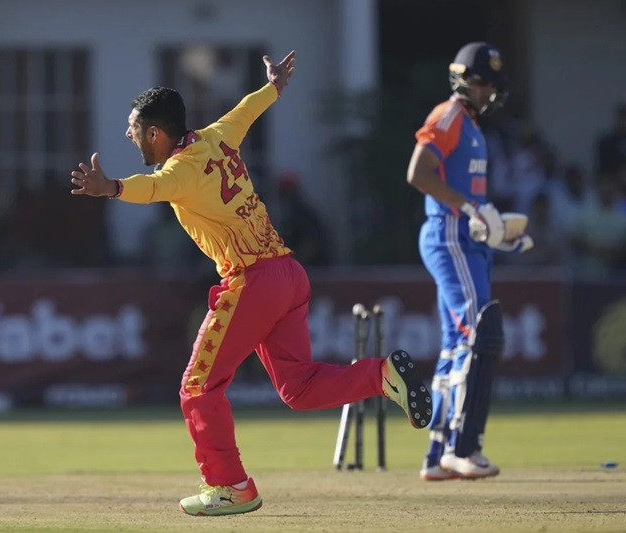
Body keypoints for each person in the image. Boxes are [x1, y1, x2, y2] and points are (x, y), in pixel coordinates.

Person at [69, 50, 431, 516]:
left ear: (156, 134)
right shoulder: (218, 137)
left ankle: (230, 485)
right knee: (298, 389)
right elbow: (250, 107)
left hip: (252, 281)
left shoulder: (177, 171)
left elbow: (151, 188)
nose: (129, 133)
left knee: (197, 387)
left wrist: (111, 188)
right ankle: (382, 375)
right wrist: (275, 85)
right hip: (288, 275)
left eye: (133, 127)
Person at [406, 42, 533, 481]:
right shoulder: (449, 116)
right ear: (462, 79)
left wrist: (498, 231)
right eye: (480, 82)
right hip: (450, 236)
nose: (486, 91)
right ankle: (462, 447)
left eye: (491, 84)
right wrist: (471, 210)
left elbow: (470, 198)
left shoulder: (476, 129)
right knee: (477, 332)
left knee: (455, 344)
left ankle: (437, 453)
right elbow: (418, 174)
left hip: (467, 239)